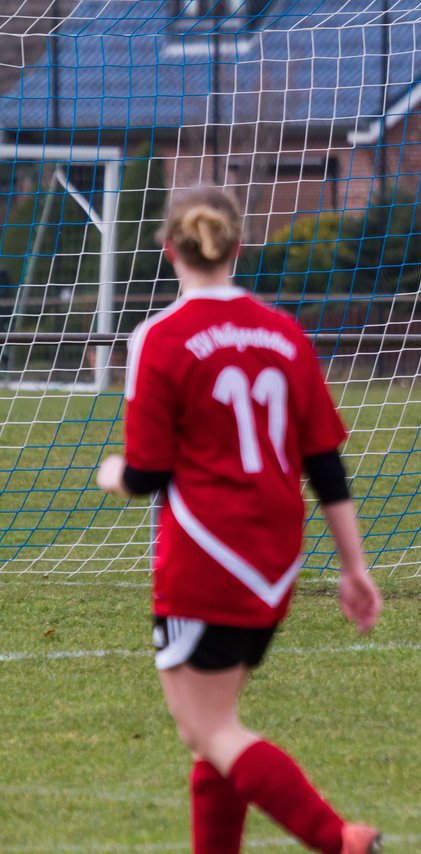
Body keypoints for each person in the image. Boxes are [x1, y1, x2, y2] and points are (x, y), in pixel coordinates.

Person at [95, 186, 383, 854]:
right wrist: (354, 567)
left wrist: (111, 473)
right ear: (238, 248)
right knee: (215, 731)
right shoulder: (283, 332)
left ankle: (338, 838)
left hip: (205, 557)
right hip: (275, 555)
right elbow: (326, 464)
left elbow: (145, 475)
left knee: (211, 731)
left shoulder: (159, 336)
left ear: (170, 249)